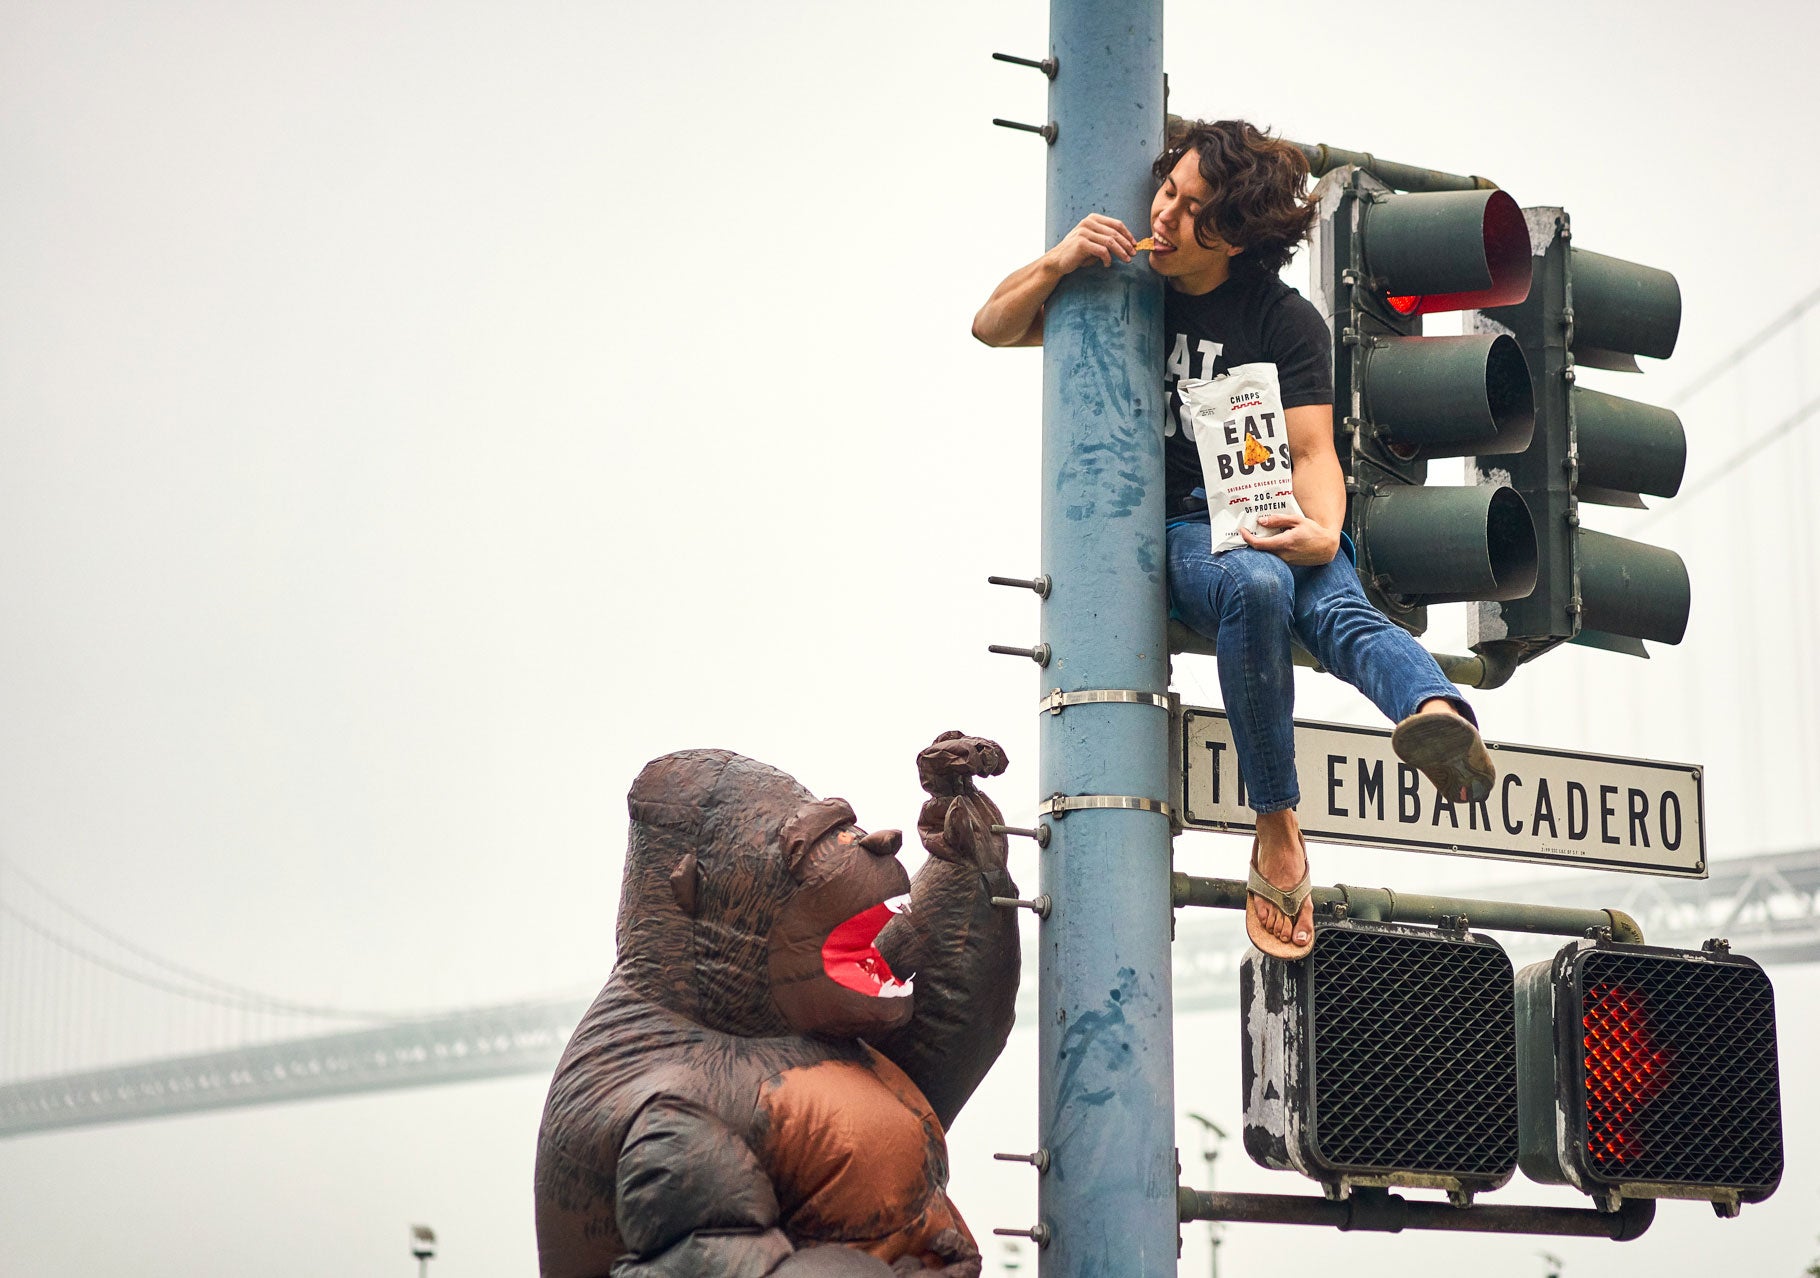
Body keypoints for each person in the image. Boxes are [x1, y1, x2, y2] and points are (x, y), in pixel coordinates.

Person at [971, 118, 1495, 961]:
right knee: (1253, 586)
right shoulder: (1128, 287)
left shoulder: (1285, 323)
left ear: (1237, 235)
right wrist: (1058, 260)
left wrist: (1323, 531)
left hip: (1272, 510)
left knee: (1343, 612)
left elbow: (1316, 453)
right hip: (1185, 527)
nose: (1167, 218)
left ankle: (1436, 714)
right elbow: (993, 325)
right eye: (1167, 193)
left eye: (1195, 211)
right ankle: (1277, 823)